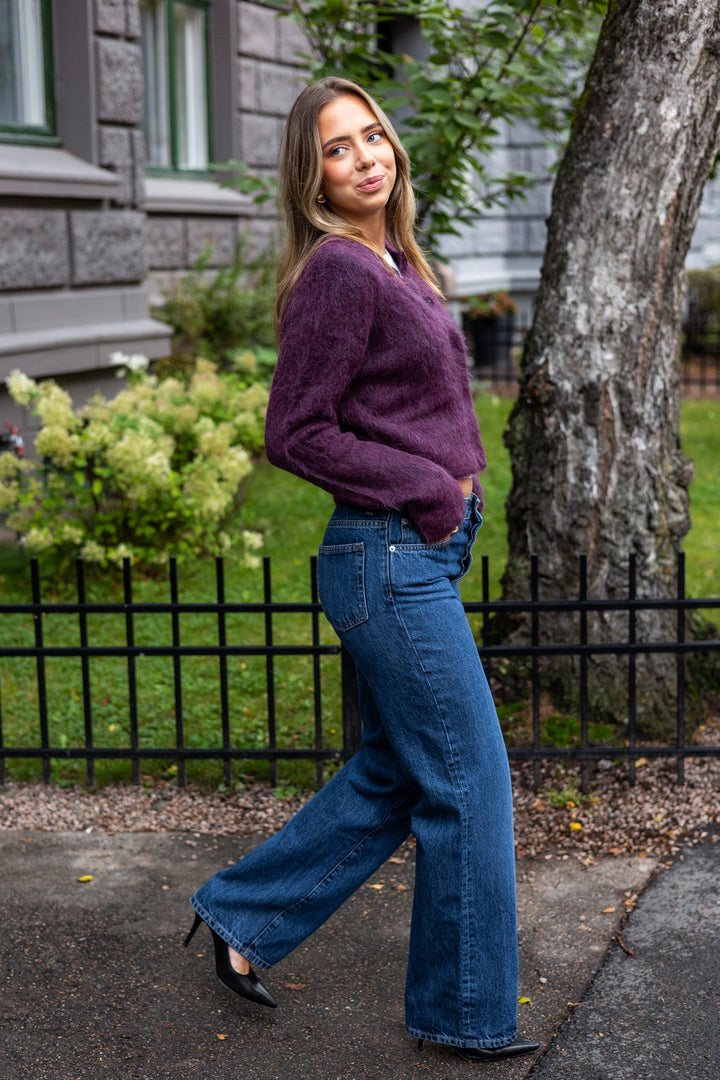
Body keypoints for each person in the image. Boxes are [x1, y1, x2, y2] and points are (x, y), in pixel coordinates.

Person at [184, 76, 538, 1064]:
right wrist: (429, 485)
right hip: (389, 552)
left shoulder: (395, 261)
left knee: (400, 771)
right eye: (338, 148)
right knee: (469, 785)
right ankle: (464, 1014)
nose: (366, 156)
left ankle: (244, 917)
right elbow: (294, 431)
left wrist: (445, 501)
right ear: (314, 174)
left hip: (417, 550)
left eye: (373, 135)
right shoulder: (341, 271)